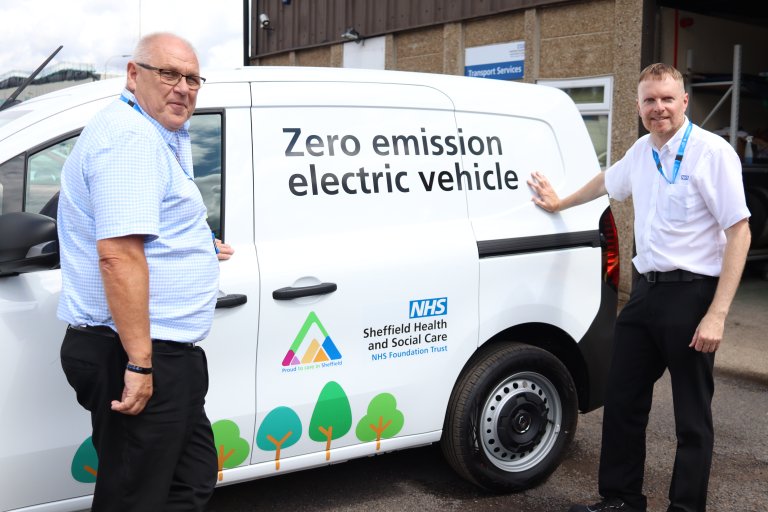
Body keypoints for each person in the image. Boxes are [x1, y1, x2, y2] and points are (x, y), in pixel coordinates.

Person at [528, 63, 751, 512]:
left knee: (692, 417)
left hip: (691, 296)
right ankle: (621, 499)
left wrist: (718, 313)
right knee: (623, 399)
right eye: (649, 100)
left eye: (667, 99)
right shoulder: (641, 152)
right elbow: (606, 181)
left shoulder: (711, 153)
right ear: (638, 106)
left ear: (685, 101)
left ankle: (685, 507)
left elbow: (739, 231)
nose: (659, 108)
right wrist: (560, 201)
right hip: (645, 294)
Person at [57, 32, 227, 511]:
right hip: (136, 352)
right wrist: (139, 363)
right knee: (135, 498)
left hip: (162, 354)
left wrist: (197, 245)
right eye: (169, 74)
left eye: (192, 78)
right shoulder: (130, 140)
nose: (183, 87)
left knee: (188, 480)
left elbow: (127, 223)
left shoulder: (151, 132)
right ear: (134, 75)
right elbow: (118, 255)